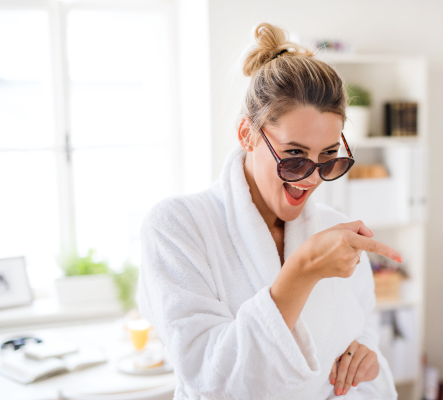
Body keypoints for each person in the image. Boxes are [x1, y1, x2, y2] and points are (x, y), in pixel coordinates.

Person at [138, 22, 401, 400]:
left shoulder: (334, 230)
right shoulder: (177, 227)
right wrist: (300, 271)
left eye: (328, 159)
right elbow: (213, 379)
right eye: (294, 157)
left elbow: (361, 344)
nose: (310, 180)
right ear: (247, 134)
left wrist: (367, 361)